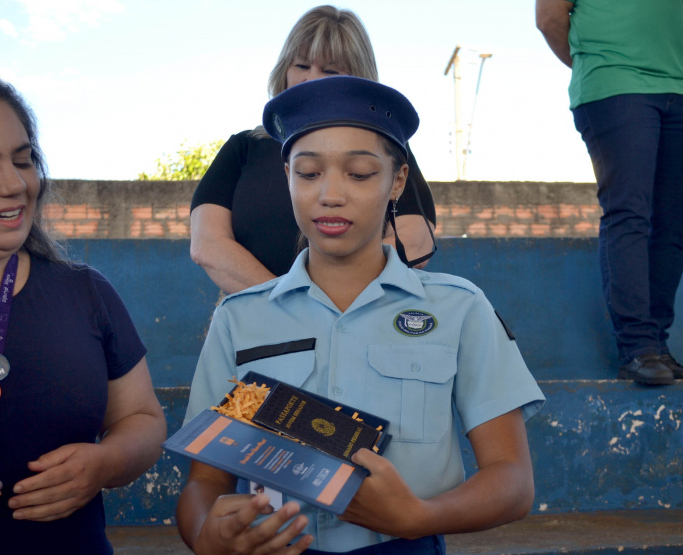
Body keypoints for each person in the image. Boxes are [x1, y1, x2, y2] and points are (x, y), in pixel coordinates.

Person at [176, 76, 544, 555]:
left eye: (360, 173)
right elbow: (206, 480)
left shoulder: (457, 309)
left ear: (397, 181)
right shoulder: (241, 319)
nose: (330, 194)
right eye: (308, 173)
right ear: (286, 175)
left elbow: (512, 480)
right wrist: (207, 533)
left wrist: (420, 516)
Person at [0, 69, 166, 553]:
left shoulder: (86, 293)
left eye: (24, 160)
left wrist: (107, 462)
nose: (16, 184)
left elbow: (142, 418)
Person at [190, 5, 437, 295]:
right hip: (255, 326)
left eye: (330, 70)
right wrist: (288, 304)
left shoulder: (389, 147)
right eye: (302, 66)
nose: (312, 79)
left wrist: (338, 302)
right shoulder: (243, 148)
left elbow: (416, 240)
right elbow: (207, 244)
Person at [535, 0, 683, 385]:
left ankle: (658, 345)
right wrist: (600, 63)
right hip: (615, 86)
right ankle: (637, 347)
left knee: (677, 223)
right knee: (629, 212)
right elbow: (549, 19)